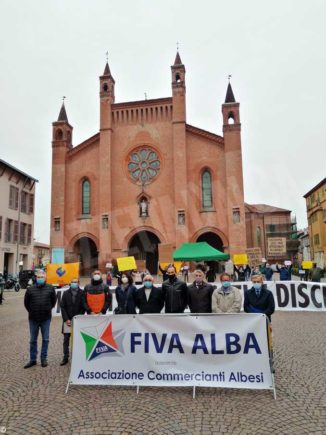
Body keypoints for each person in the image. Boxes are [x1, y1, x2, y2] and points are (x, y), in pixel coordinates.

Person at [23, 270, 57, 368]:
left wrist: (47, 309)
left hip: (46, 318)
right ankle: (33, 360)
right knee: (33, 340)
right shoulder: (30, 289)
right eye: (39, 277)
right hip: (33, 318)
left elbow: (53, 302)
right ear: (36, 278)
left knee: (45, 339)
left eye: (42, 277)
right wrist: (32, 311)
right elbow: (26, 303)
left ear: (45, 278)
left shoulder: (50, 288)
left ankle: (43, 358)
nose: (40, 278)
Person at [60, 277, 85, 366]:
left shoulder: (82, 293)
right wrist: (66, 319)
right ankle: (65, 357)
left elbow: (83, 307)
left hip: (78, 321)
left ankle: (78, 356)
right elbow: (62, 307)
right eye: (72, 282)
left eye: (75, 282)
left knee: (79, 339)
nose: (74, 283)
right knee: (66, 339)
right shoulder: (66, 293)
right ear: (70, 283)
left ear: (78, 283)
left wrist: (79, 318)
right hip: (67, 321)